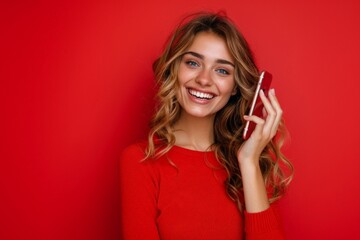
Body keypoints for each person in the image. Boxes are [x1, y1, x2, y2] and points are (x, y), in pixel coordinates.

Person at [119, 12, 293, 240]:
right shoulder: (141, 160)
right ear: (174, 70)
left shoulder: (253, 162)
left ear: (234, 87)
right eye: (193, 63)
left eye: (221, 70)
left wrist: (249, 162)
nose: (204, 79)